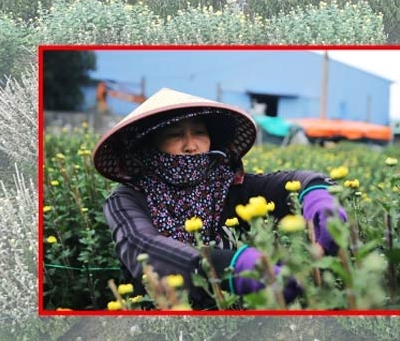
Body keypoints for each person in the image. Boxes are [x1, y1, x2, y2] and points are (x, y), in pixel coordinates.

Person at [92, 87, 347, 310]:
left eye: (199, 132)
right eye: (174, 135)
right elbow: (143, 246)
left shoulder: (227, 186)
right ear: (149, 145)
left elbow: (290, 183)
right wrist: (233, 266)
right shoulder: (127, 200)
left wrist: (317, 197)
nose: (191, 145)